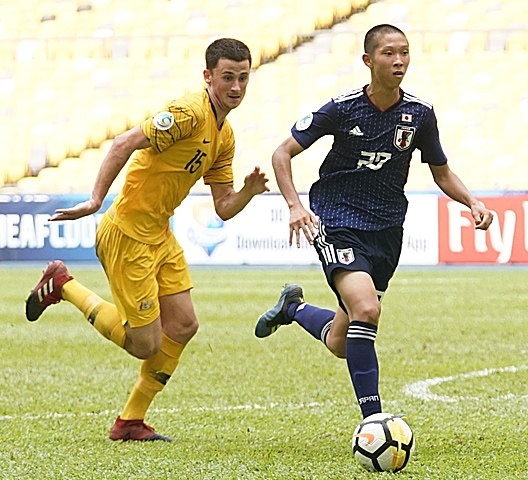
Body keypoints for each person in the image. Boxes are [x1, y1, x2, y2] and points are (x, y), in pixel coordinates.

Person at [25, 38, 269, 441]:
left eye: (244, 78)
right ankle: (63, 285)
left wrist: (248, 192)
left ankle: (130, 422)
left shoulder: (225, 136)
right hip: (127, 235)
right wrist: (94, 200)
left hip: (159, 233)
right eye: (228, 77)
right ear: (208, 76)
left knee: (185, 324)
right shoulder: (189, 113)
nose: (237, 87)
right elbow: (123, 142)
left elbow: (223, 206)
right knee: (144, 344)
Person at [255, 24, 492, 420]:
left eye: (404, 52)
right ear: (368, 60)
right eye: (388, 53)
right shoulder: (341, 108)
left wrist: (471, 201)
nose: (398, 60)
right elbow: (282, 155)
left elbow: (441, 172)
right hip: (337, 219)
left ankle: (293, 309)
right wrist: (296, 206)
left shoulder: (419, 114)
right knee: (366, 309)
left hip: (386, 229)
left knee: (341, 341)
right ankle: (374, 422)